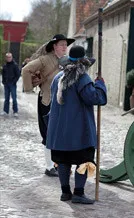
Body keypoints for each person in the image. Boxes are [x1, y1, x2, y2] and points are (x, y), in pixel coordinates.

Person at [46, 45, 107, 204]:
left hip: (60, 131)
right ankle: (78, 193)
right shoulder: (83, 79)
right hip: (79, 131)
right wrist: (100, 85)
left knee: (63, 160)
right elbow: (96, 98)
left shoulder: (57, 77)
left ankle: (65, 192)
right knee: (83, 160)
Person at [22, 34, 75, 177]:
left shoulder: (67, 61)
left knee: (60, 135)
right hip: (47, 102)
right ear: (54, 46)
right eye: (62, 44)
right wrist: (28, 89)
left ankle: (58, 164)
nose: (65, 47)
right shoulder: (44, 60)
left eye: (66, 44)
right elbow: (26, 70)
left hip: (62, 103)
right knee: (48, 135)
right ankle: (49, 166)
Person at [0, 53, 20, 117]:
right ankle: (5, 111)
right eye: (7, 57)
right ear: (6, 58)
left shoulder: (15, 65)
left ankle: (15, 111)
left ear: (11, 57)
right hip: (6, 84)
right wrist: (3, 81)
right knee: (6, 98)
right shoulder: (5, 65)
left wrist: (14, 81)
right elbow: (3, 74)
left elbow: (18, 74)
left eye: (10, 57)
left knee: (14, 98)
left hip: (12, 84)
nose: (9, 58)